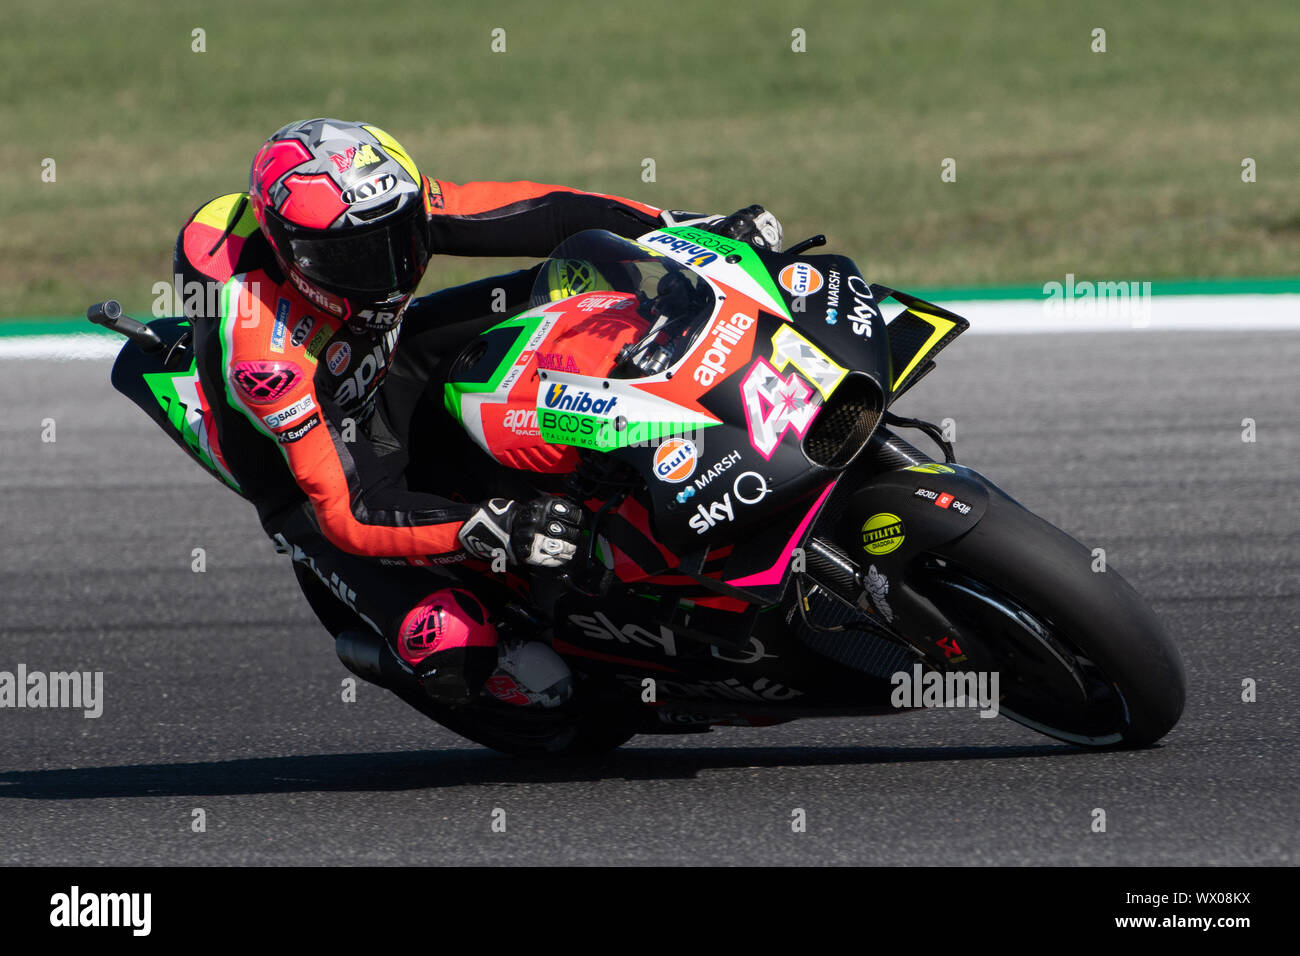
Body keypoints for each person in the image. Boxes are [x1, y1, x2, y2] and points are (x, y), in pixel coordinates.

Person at [175, 117, 782, 710]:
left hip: (388, 359)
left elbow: (539, 211)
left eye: (402, 237)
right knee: (458, 649)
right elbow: (347, 511)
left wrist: (676, 227)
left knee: (580, 285)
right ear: (292, 255)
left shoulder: (381, 207)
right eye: (357, 258)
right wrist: (484, 524)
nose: (390, 266)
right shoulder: (266, 361)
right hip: (318, 480)